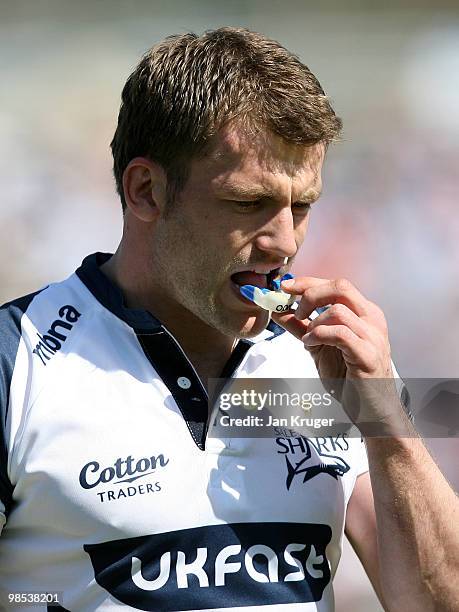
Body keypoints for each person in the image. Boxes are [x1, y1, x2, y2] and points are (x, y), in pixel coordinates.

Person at [0, 27, 457, 612]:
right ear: (145, 191)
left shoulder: (329, 368)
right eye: (248, 204)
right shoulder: (20, 364)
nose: (285, 243)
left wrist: (387, 421)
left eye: (302, 206)